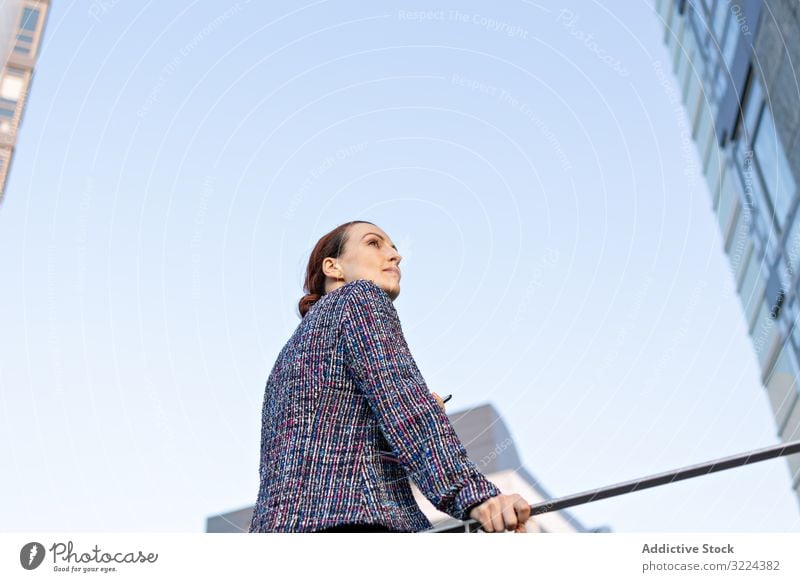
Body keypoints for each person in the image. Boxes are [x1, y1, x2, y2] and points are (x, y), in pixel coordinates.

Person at [248, 220, 534, 533]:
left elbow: (329, 452)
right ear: (333, 266)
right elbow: (404, 408)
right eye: (374, 243)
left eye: (395, 249)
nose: (394, 256)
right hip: (358, 525)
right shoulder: (360, 298)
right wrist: (472, 494)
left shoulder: (289, 354)